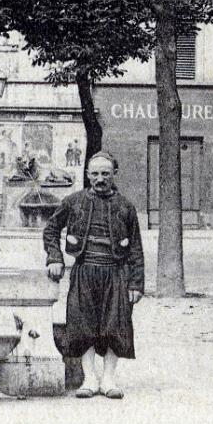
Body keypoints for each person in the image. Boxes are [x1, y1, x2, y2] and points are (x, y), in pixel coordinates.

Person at [43, 152, 145, 399]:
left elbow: (136, 248)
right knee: (83, 323)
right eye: (95, 174)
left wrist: (136, 283)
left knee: (116, 324)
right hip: (84, 271)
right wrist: (55, 258)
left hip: (116, 273)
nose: (100, 179)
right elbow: (50, 231)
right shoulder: (73, 202)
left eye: (105, 174)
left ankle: (109, 378)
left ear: (114, 175)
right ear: (87, 175)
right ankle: (90, 378)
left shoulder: (126, 207)